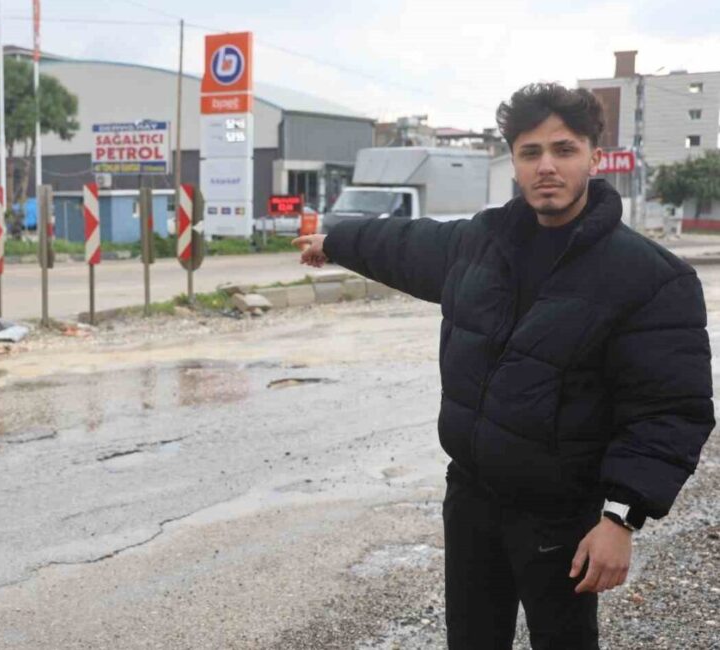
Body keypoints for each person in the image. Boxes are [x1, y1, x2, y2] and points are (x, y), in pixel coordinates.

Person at [293, 83, 714, 649]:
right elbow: (402, 243)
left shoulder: (650, 277)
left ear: (594, 155)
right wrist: (336, 241)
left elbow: (669, 410)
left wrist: (620, 519)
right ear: (514, 160)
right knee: (469, 639)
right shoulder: (480, 243)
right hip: (471, 499)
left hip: (560, 515)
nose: (547, 166)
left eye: (564, 150)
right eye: (530, 152)